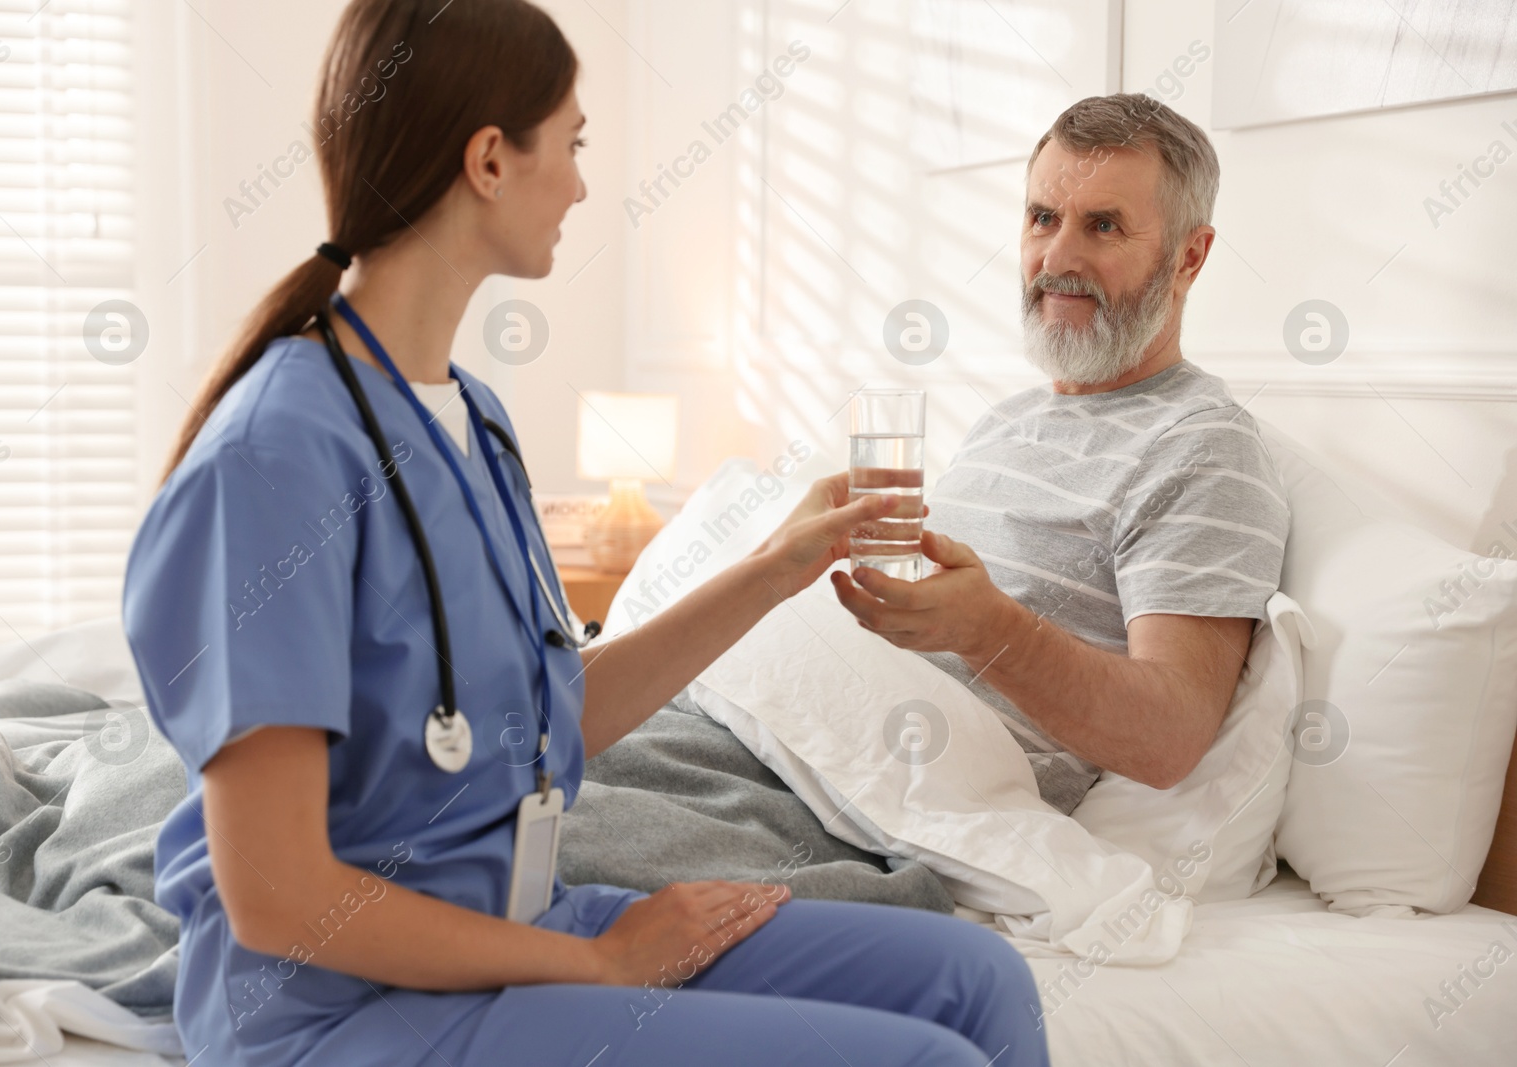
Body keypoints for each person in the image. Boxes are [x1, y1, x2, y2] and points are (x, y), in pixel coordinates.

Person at [121, 1, 1050, 1065]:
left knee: (974, 977)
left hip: (512, 932)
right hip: (337, 1009)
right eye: (570, 144)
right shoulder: (274, 458)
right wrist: (603, 963)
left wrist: (777, 567)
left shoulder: (474, 421)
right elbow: (279, 898)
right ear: (488, 160)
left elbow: (549, 717)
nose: (579, 182)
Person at [833, 94, 1291, 814]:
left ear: (1189, 257)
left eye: (1103, 226)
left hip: (886, 802)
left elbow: (1169, 736)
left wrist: (987, 628)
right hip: (814, 741)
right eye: (1043, 218)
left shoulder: (1202, 446)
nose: (1057, 258)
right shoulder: (1004, 421)